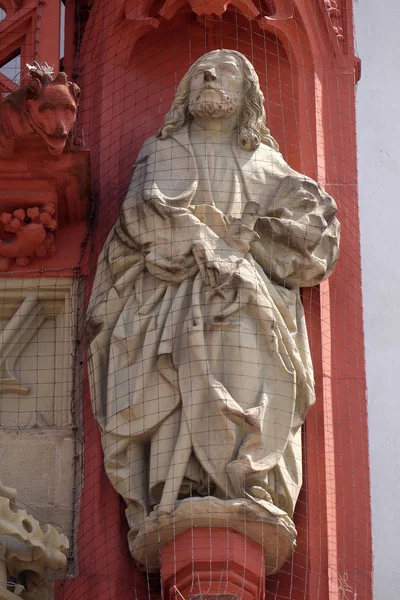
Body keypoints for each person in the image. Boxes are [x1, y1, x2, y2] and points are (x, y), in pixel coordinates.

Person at [87, 49, 340, 558]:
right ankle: (174, 486)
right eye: (199, 70)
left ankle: (248, 481)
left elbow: (317, 235)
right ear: (185, 92)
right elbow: (140, 214)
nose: (207, 75)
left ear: (246, 94)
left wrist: (263, 235)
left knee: (246, 352)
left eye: (223, 71)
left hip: (244, 301)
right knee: (177, 366)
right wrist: (203, 240)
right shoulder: (163, 150)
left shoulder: (265, 164)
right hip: (171, 296)